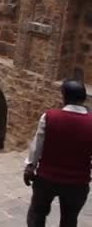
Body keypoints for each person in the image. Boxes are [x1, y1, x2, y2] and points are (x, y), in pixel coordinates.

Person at [24, 80, 92, 227]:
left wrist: (30, 166)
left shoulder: (50, 116)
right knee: (69, 219)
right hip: (77, 183)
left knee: (37, 214)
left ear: (64, 97)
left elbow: (38, 144)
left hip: (46, 179)